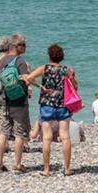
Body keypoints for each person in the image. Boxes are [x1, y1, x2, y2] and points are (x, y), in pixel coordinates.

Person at [26, 43, 77, 177]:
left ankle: (47, 170)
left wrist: (40, 86)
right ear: (62, 57)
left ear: (49, 55)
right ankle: (66, 169)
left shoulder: (44, 68)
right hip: (62, 104)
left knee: (47, 138)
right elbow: (75, 87)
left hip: (47, 104)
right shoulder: (67, 70)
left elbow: (29, 78)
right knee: (65, 136)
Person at [0, 32, 39, 174]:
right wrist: (40, 86)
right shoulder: (20, 61)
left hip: (5, 99)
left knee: (4, 132)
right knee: (20, 132)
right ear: (17, 46)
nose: (25, 47)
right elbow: (27, 78)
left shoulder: (1, 61)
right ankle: (17, 164)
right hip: (19, 100)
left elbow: (0, 81)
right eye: (23, 45)